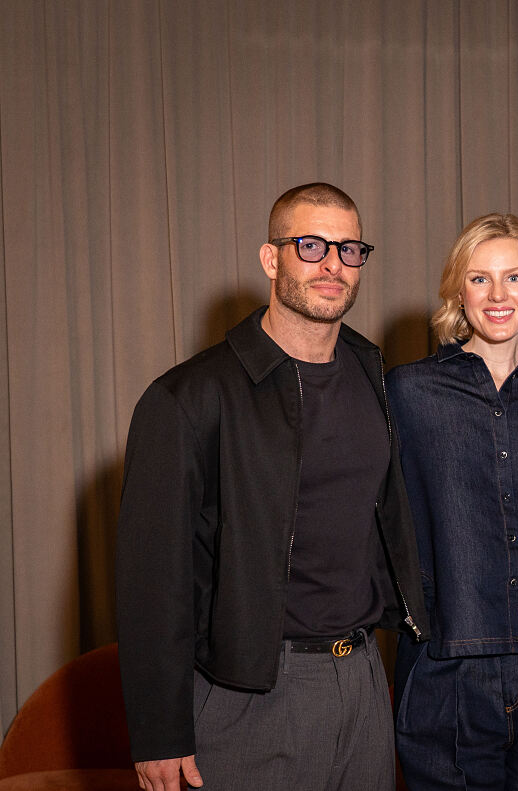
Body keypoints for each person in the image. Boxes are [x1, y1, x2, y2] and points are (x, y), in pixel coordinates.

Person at [116, 182, 427, 791]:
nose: (332, 265)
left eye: (348, 249)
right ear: (271, 258)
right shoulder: (187, 397)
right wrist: (159, 731)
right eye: (310, 246)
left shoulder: (377, 377)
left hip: (362, 681)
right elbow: (152, 578)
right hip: (249, 695)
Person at [386, 213, 518, 791]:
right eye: (480, 279)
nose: (499, 295)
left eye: (514, 277)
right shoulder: (408, 392)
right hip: (444, 647)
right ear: (460, 290)